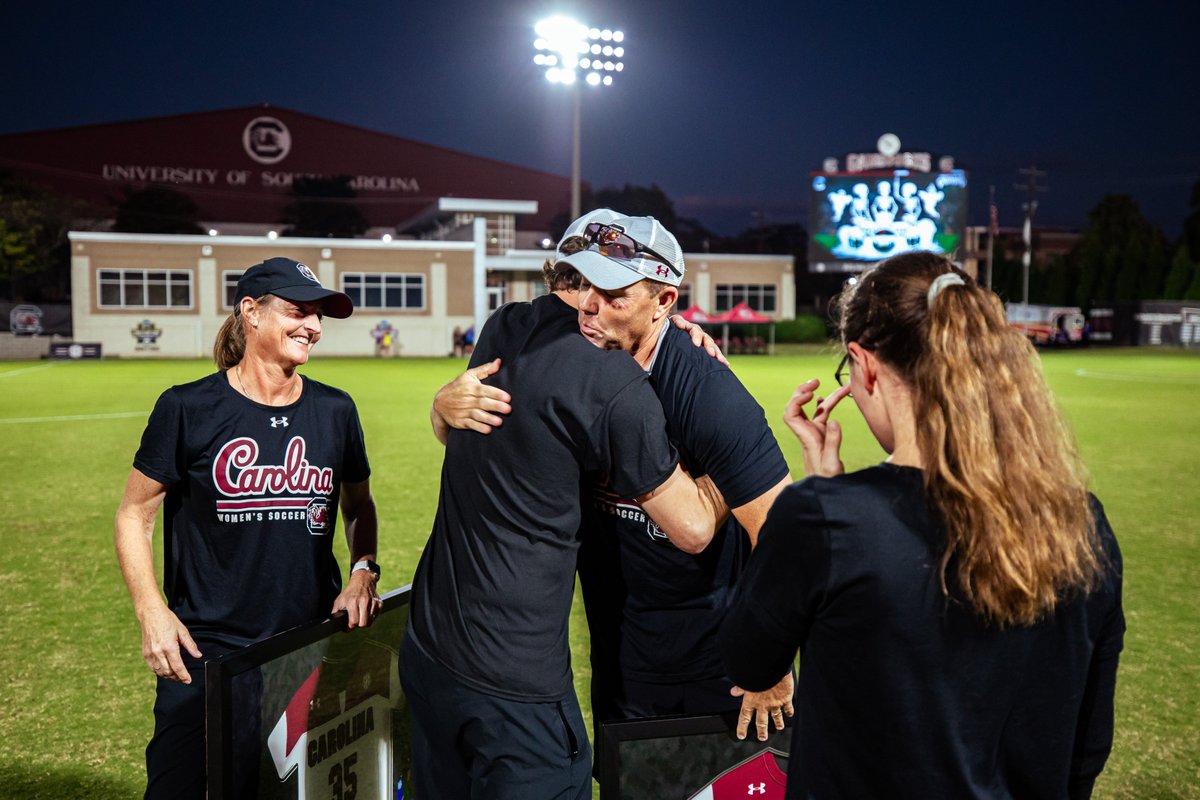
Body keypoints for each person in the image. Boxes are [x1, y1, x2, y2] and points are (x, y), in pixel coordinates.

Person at [719, 252, 1124, 798]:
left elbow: (750, 660)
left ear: (864, 365)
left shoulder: (828, 522)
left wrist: (820, 494)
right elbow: (1087, 746)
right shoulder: (1082, 522)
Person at [437, 212, 796, 750]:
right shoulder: (578, 355)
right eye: (584, 284)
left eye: (614, 295)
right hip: (618, 655)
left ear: (665, 302)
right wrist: (442, 408)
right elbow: (501, 442)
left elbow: (785, 537)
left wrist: (769, 662)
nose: (589, 305)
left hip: (717, 665)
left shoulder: (706, 389)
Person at [402, 210, 727, 799]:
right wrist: (726, 454)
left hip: (430, 649)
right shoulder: (612, 383)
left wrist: (435, 410)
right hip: (515, 673)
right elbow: (695, 528)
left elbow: (480, 425)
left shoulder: (503, 326)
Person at [114, 257, 381, 800]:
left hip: (306, 645)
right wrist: (151, 610)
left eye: (318, 315)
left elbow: (358, 506)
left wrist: (362, 570)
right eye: (298, 311)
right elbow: (134, 513)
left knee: (287, 788)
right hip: (206, 649)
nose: (313, 325)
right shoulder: (188, 406)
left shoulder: (335, 410)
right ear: (251, 313)